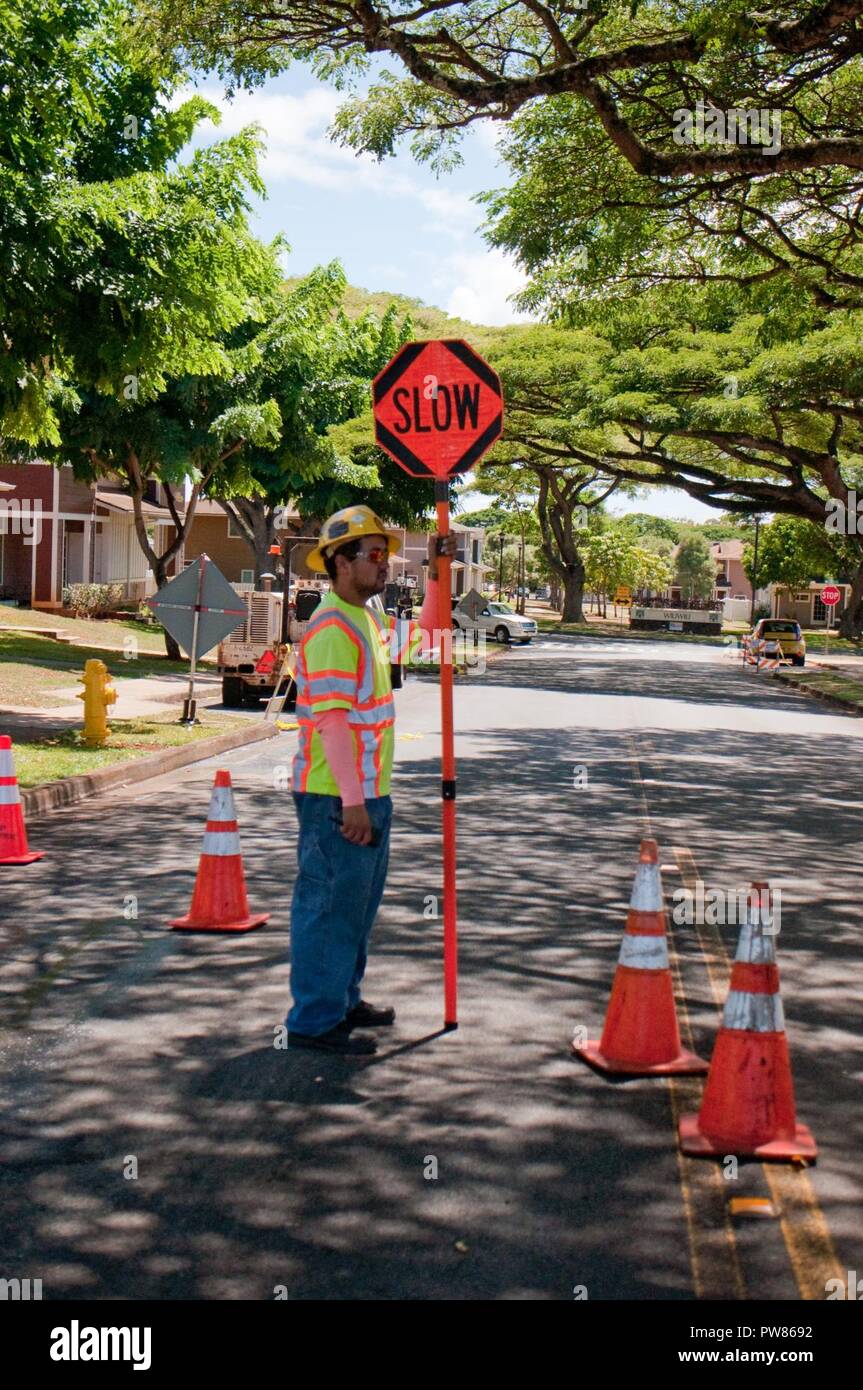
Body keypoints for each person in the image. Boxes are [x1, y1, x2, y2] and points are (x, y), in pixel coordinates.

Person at [286, 505, 457, 1056]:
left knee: (355, 907)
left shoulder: (368, 618)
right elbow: (333, 724)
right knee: (330, 906)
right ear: (339, 562)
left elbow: (430, 638)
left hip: (365, 792)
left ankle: (341, 998)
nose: (385, 564)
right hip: (337, 796)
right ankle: (314, 1019)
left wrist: (436, 574)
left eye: (386, 554)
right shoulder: (334, 628)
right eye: (374, 555)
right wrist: (354, 803)